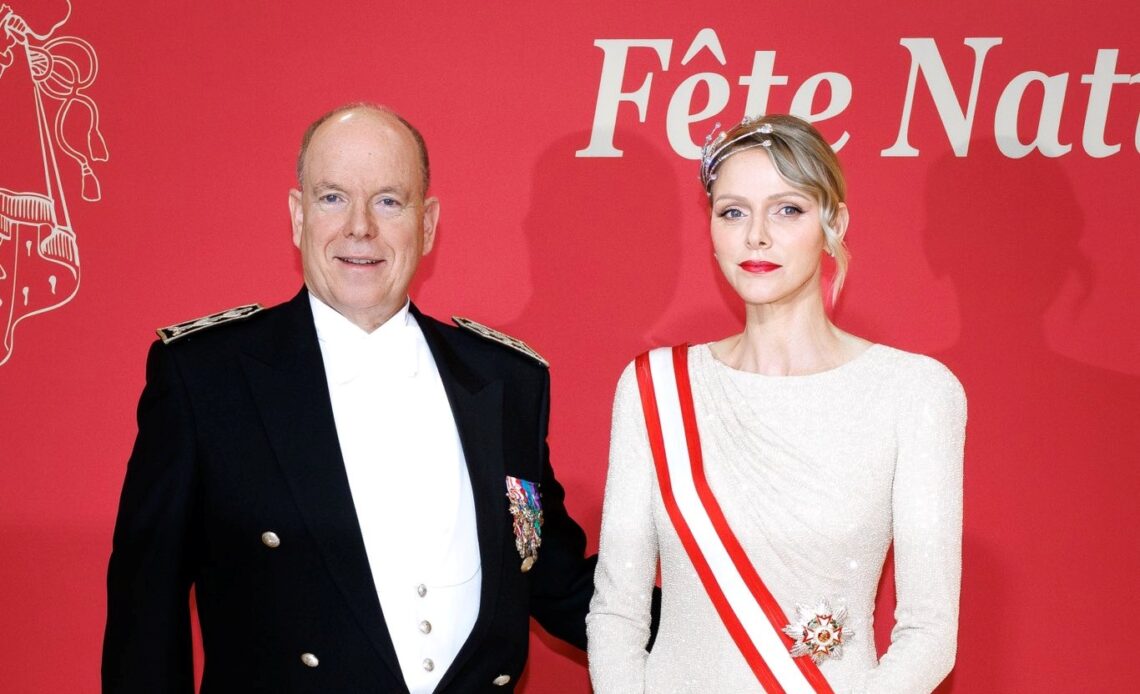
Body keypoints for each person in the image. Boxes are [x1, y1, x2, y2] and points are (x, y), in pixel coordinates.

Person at [103, 103, 596, 693]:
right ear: (297, 215)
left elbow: (558, 583)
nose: (360, 227)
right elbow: (145, 623)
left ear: (428, 223)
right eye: (333, 197)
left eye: (389, 201)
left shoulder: (506, 381)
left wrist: (721, 623)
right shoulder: (205, 379)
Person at [586, 114, 966, 693]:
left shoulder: (915, 392)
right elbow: (617, 613)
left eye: (787, 209)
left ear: (833, 221)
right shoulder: (655, 388)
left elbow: (929, 632)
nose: (756, 236)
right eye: (732, 211)